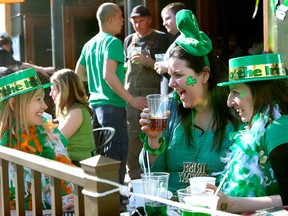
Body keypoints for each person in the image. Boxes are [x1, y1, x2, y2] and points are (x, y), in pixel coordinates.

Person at [138, 9, 239, 194]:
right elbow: (152, 175)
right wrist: (154, 140)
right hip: (171, 206)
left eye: (179, 75)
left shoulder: (234, 112)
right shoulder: (169, 109)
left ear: (205, 75)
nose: (171, 83)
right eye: (170, 75)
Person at [75, 3, 147, 208]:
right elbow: (109, 75)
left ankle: (102, 201)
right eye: (120, 16)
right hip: (112, 107)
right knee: (116, 156)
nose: (124, 21)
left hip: (95, 107)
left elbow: (78, 73)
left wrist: (90, 91)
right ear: (110, 20)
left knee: (101, 156)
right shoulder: (113, 42)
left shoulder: (89, 44)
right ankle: (115, 203)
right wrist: (131, 99)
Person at [206, 53, 288, 213]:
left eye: (236, 92)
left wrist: (231, 204)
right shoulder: (259, 126)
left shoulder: (278, 128)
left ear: (260, 92)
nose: (229, 102)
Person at [0, 67, 74, 211]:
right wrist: (53, 207)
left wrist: (61, 200)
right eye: (38, 99)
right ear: (14, 104)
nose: (45, 106)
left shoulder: (47, 135)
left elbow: (54, 188)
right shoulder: (4, 149)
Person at [124, 5, 170, 180]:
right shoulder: (128, 40)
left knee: (155, 135)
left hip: (154, 98)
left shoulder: (162, 39)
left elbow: (168, 69)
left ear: (149, 20)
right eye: (134, 21)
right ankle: (134, 179)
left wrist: (148, 61)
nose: (137, 24)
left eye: (141, 20)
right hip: (132, 98)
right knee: (132, 139)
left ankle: (154, 177)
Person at [50, 69, 95, 167]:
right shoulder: (69, 109)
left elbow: (57, 140)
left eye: (53, 90)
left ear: (63, 91)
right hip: (71, 160)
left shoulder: (76, 111)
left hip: (81, 164)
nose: (50, 94)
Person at [155, 2, 187, 95]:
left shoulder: (190, 37)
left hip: (182, 96)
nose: (164, 23)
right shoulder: (178, 38)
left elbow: (193, 62)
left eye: (167, 18)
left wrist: (167, 66)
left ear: (179, 17)